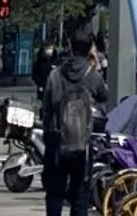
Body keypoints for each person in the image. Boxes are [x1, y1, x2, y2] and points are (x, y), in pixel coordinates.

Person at [41, 28, 105, 216]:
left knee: (55, 194)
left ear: (69, 47)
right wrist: (95, 65)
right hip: (82, 144)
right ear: (89, 49)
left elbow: (47, 107)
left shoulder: (55, 75)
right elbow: (103, 95)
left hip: (56, 142)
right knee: (79, 195)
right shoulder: (92, 75)